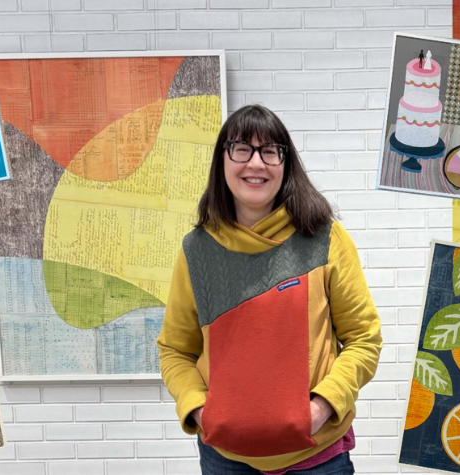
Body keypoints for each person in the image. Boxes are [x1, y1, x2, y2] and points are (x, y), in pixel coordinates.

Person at [157, 104, 383, 475]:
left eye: (270, 151)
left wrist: (321, 408)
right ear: (222, 160)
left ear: (285, 163)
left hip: (316, 458)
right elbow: (175, 349)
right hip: (225, 461)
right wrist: (200, 410)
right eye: (241, 149)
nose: (256, 163)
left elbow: (364, 339)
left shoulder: (325, 239)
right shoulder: (196, 251)